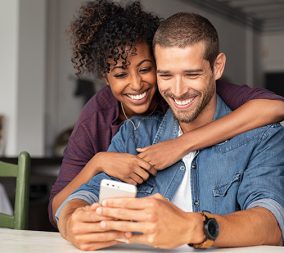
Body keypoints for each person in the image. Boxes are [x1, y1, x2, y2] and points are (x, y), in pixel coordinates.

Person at [55, 11, 284, 251]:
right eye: (165, 75)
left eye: (192, 74)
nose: (178, 90)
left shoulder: (262, 137)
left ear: (217, 67)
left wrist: (192, 227)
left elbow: (271, 224)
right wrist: (73, 223)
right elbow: (81, 197)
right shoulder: (134, 133)